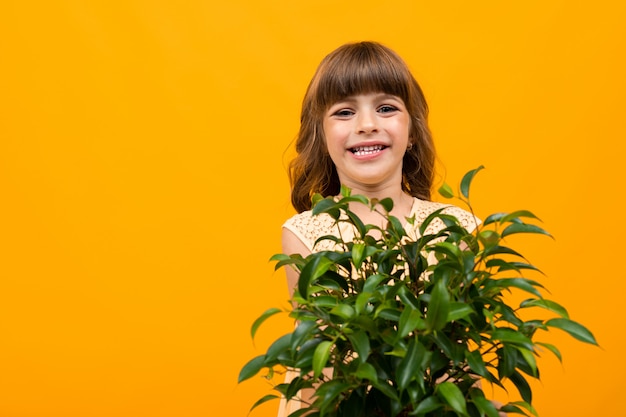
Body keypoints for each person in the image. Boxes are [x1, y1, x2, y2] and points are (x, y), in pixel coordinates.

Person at [277, 41, 502, 417]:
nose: (367, 125)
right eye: (345, 112)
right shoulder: (306, 232)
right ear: (322, 136)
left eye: (386, 108)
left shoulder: (457, 228)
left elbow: (458, 354)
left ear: (412, 131)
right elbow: (320, 363)